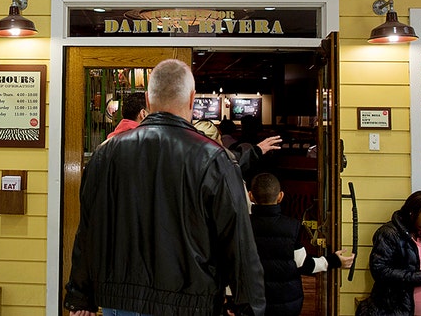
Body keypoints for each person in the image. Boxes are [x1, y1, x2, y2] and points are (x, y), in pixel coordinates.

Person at [64, 59, 266, 316]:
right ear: (192, 99)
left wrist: (81, 296)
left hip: (120, 302)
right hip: (191, 304)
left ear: (147, 100)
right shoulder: (214, 158)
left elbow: (89, 230)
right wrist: (248, 306)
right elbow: (238, 241)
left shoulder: (106, 154)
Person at [249, 173, 353, 316]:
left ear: (250, 196)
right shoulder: (291, 226)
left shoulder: (241, 226)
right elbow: (304, 264)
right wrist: (333, 260)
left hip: (251, 301)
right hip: (287, 303)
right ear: (280, 196)